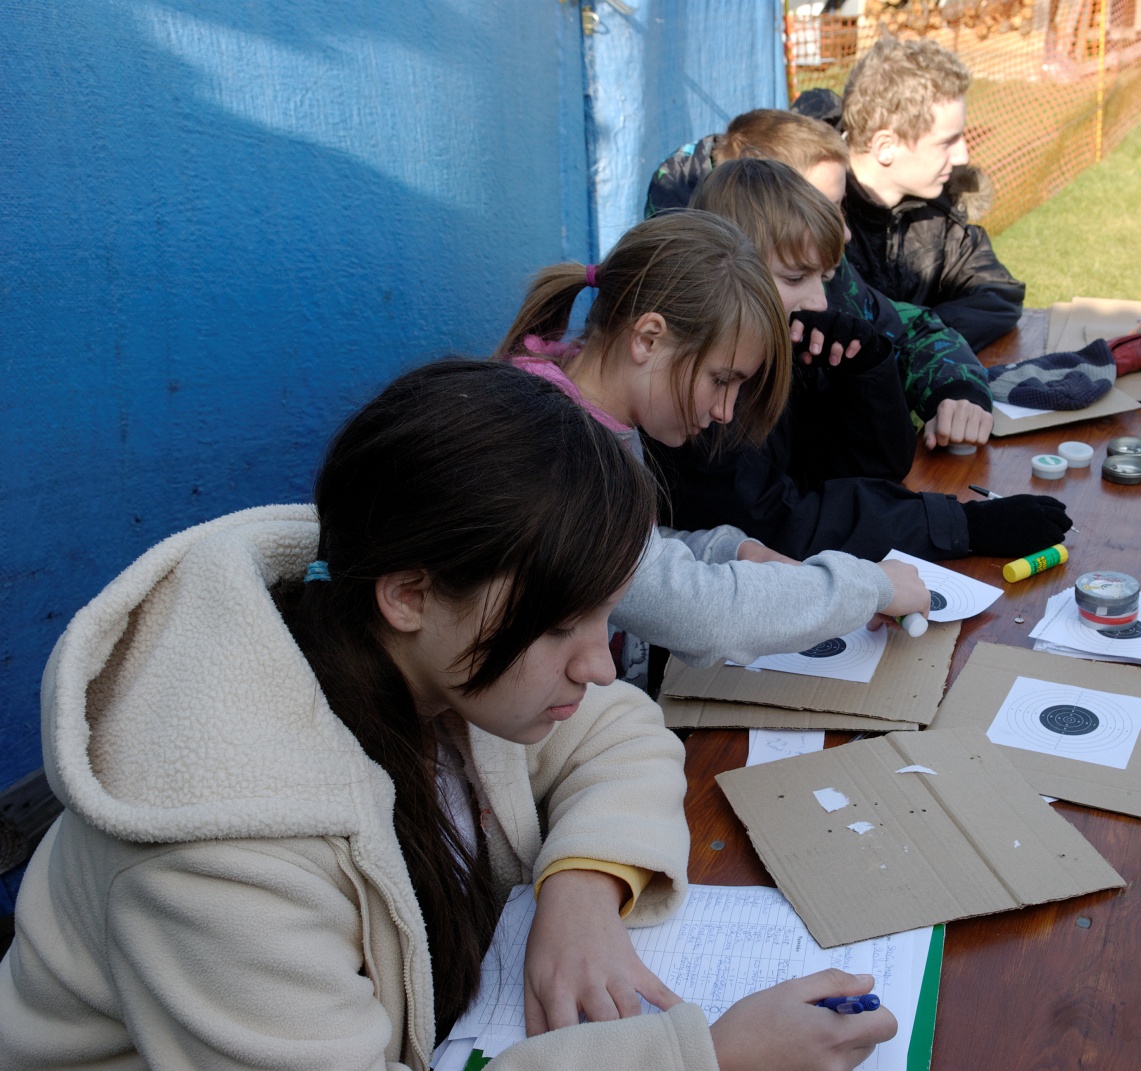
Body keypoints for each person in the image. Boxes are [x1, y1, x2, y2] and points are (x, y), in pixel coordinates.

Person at [0, 360, 898, 1068]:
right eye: (561, 625)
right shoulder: (219, 854)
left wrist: (583, 887)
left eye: (604, 616)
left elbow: (619, 727)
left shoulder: (424, 656)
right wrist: (709, 1056)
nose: (598, 663)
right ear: (408, 594)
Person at [496, 211, 929, 679]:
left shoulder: (591, 417)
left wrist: (732, 551)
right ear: (647, 339)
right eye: (721, 380)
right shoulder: (557, 452)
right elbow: (703, 615)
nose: (725, 411)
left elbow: (626, 554)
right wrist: (872, 586)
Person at [653, 158, 1068, 564]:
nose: (819, 301)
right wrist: (961, 525)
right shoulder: (702, 385)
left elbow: (874, 469)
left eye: (825, 277)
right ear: (729, 268)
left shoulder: (795, 328)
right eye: (795, 278)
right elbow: (779, 520)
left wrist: (866, 370)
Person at [645, 107, 995, 450]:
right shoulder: (687, 328)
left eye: (840, 206)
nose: (846, 232)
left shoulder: (828, 279)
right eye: (825, 207)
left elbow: (910, 329)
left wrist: (956, 391)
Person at [793, 36, 1026, 354]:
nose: (963, 156)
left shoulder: (936, 212)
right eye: (947, 141)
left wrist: (910, 341)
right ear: (885, 147)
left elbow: (997, 294)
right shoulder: (803, 216)